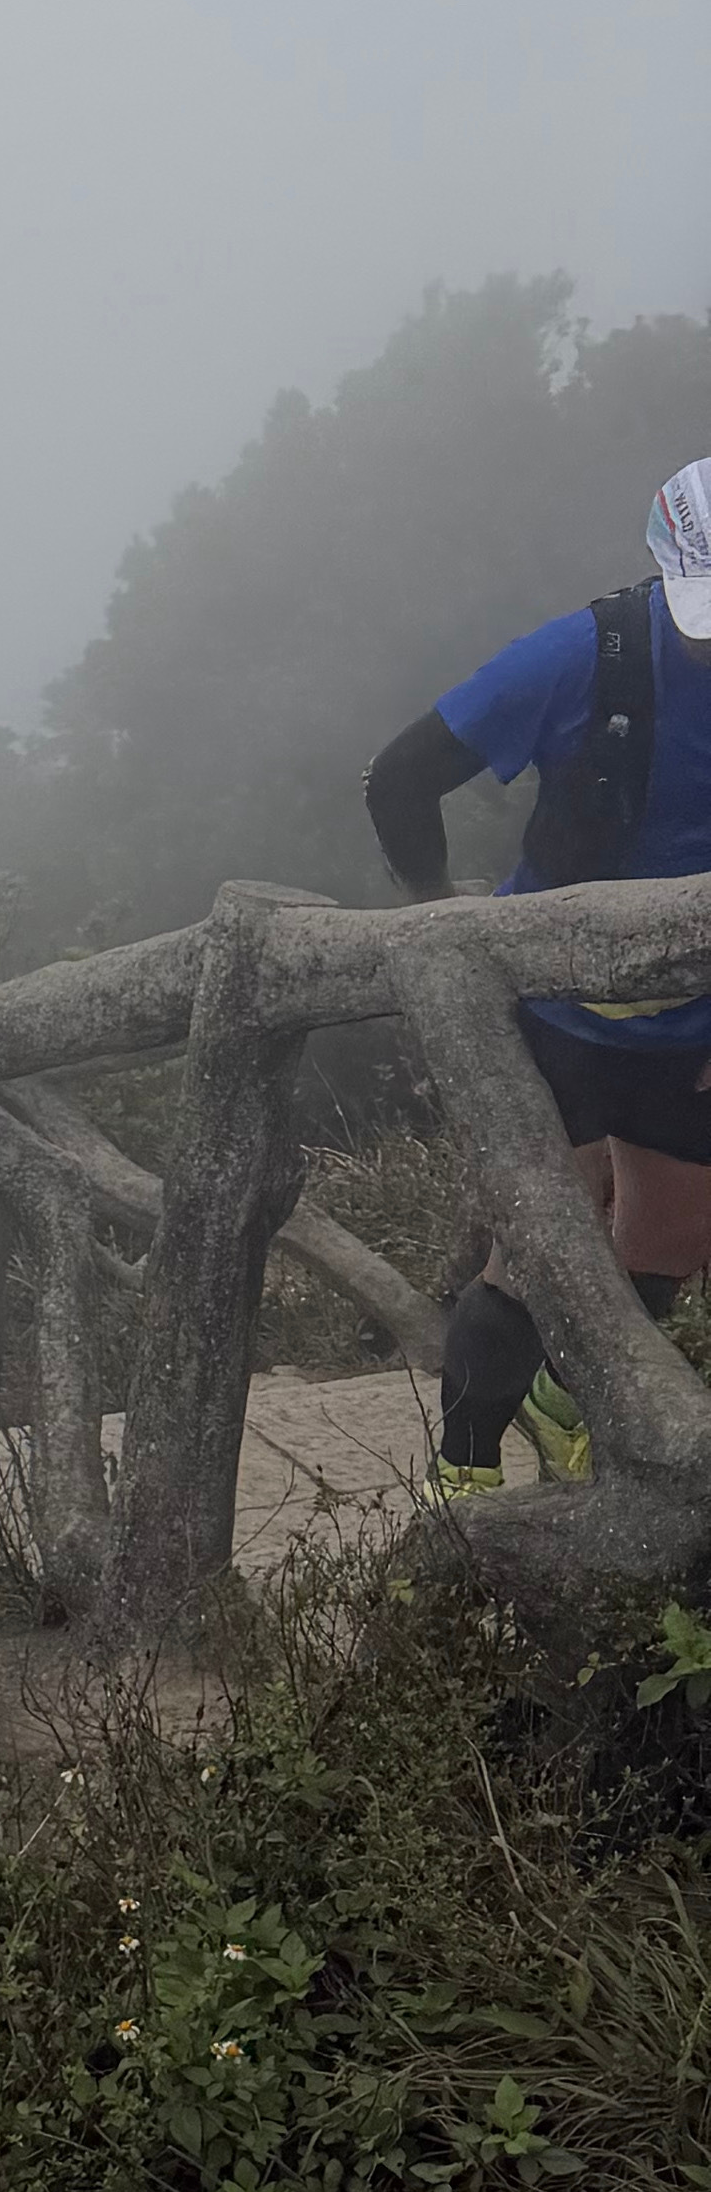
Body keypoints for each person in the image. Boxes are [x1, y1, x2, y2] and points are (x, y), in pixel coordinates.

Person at [368, 462, 711, 1493]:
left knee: (669, 1241)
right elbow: (400, 776)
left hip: (695, 1018)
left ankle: (572, 1415)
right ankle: (464, 1473)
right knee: (535, 1249)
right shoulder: (589, 654)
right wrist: (439, 918)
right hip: (557, 1007)